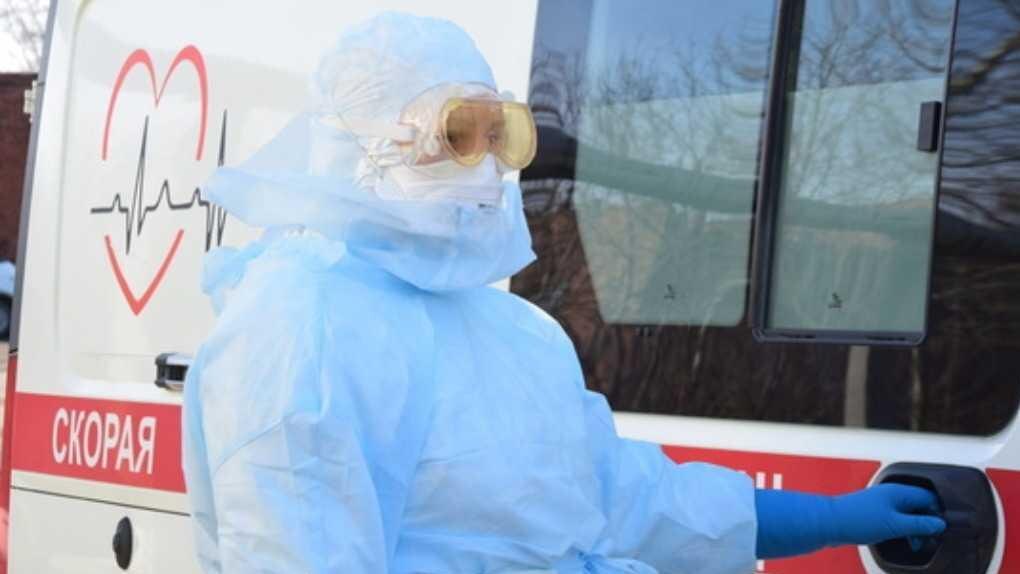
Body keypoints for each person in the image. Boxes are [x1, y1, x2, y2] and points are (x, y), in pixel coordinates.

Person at [182, 12, 945, 573]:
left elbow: (621, 499)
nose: (487, 164)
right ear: (366, 143)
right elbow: (300, 552)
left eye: (499, 134)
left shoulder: (513, 334)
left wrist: (831, 518)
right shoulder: (299, 327)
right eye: (459, 133)